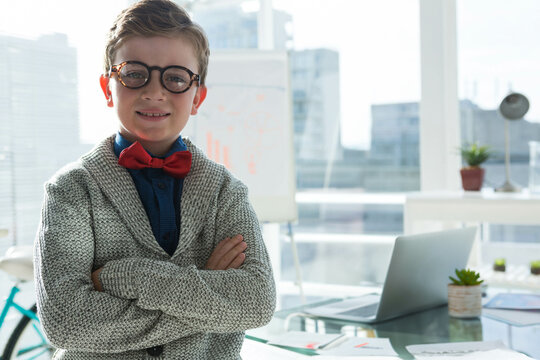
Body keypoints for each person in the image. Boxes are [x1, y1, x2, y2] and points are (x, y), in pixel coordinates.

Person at [33, 1, 276, 359]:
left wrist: (125, 276)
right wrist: (208, 293)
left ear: (197, 97)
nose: (154, 92)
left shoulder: (226, 192)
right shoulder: (71, 190)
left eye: (176, 78)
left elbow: (256, 302)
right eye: (134, 74)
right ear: (107, 87)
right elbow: (66, 323)